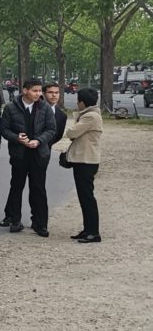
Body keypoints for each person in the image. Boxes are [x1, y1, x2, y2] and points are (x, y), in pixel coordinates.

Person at [0, 79, 56, 237]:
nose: (38, 94)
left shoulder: (45, 107)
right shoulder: (10, 108)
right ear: (25, 91)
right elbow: (4, 129)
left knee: (38, 189)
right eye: (35, 91)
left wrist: (39, 140)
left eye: (39, 91)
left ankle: (40, 223)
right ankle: (15, 220)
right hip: (19, 154)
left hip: (39, 154)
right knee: (17, 187)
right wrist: (17, 138)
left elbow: (51, 129)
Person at [64, 88, 102, 243]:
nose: (76, 103)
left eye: (77, 100)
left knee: (87, 197)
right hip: (83, 160)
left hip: (87, 161)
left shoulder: (90, 116)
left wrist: (74, 123)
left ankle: (93, 232)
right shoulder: (89, 115)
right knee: (84, 196)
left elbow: (72, 133)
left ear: (82, 102)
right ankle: (88, 229)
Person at [43, 82, 68, 147]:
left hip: (46, 152)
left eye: (56, 93)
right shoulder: (34, 109)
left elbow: (58, 136)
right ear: (44, 94)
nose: (54, 95)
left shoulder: (62, 116)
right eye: (50, 92)